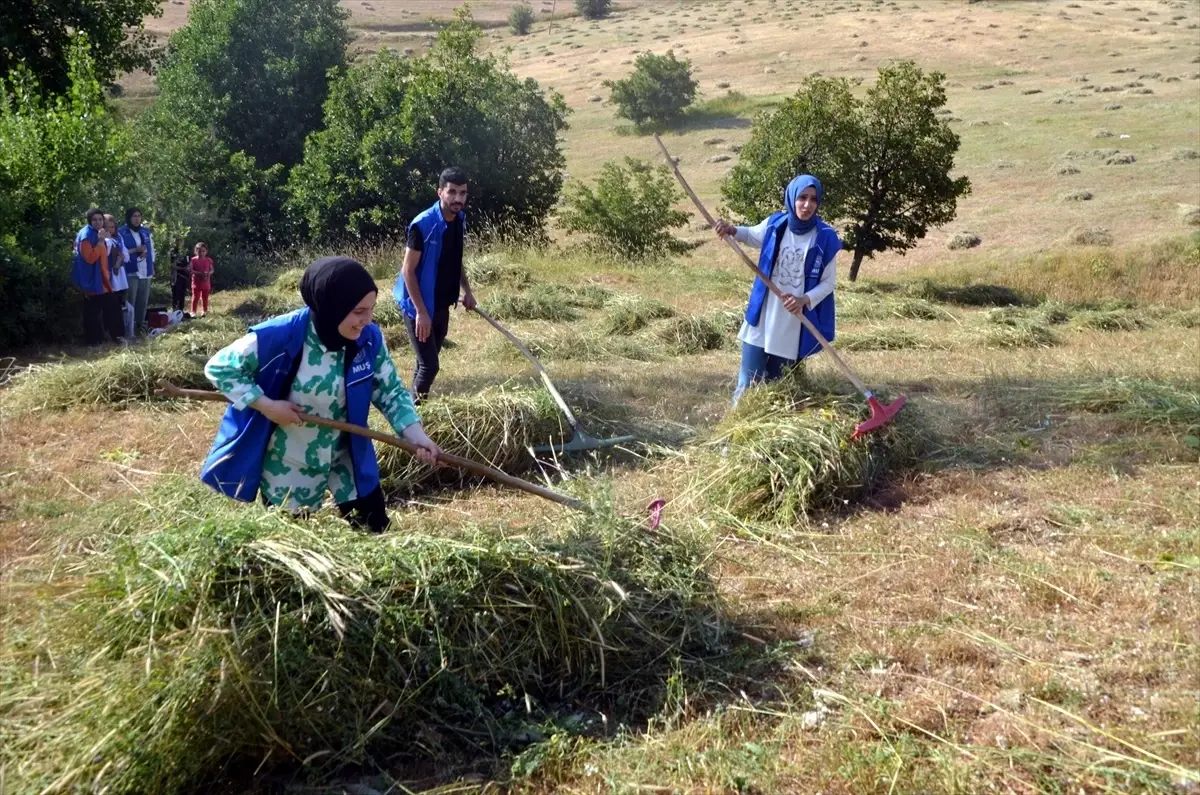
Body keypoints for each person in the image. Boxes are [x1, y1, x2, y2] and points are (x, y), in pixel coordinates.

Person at [202, 256, 443, 533]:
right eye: (358, 311)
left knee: (375, 530)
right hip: (290, 460)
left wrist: (416, 436)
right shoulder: (280, 335)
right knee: (295, 546)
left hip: (346, 454)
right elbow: (220, 367)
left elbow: (391, 392)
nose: (367, 320)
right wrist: (266, 405)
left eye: (371, 310)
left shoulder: (369, 340)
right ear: (332, 307)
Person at [713, 174, 842, 404]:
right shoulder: (776, 224)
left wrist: (803, 299)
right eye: (802, 197)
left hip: (791, 322)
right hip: (763, 314)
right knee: (747, 383)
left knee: (776, 387)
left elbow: (828, 283)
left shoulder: (825, 237)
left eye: (813, 199)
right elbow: (752, 235)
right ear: (792, 198)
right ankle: (734, 433)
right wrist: (732, 230)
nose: (807, 205)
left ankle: (766, 432)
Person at [394, 166, 477, 403]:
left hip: (441, 303)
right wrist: (420, 312)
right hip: (418, 305)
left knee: (425, 363)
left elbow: (455, 259)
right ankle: (414, 421)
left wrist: (467, 291)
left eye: (462, 193)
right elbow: (407, 270)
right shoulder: (422, 225)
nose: (458, 199)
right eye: (452, 192)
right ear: (439, 192)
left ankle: (411, 409)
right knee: (430, 366)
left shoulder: (459, 220)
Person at [118, 207, 155, 335]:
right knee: (130, 300)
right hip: (130, 271)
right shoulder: (122, 232)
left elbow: (152, 250)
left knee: (143, 300)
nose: (137, 218)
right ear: (129, 217)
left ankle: (140, 326)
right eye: (134, 216)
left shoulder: (145, 231)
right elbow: (120, 252)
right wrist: (136, 250)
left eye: (139, 216)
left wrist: (152, 265)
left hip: (145, 270)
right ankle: (129, 328)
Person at [102, 214, 130, 343]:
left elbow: (126, 256)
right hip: (108, 277)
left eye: (112, 227)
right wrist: (107, 240)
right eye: (107, 227)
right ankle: (111, 333)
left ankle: (119, 334)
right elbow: (105, 253)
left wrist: (121, 257)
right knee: (109, 306)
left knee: (118, 304)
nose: (110, 230)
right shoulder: (104, 240)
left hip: (119, 277)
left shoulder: (119, 238)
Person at [190, 242, 213, 316]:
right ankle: (193, 311)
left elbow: (212, 269)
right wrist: (200, 273)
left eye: (203, 251)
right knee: (195, 297)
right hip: (196, 282)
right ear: (196, 251)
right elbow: (191, 270)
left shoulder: (208, 260)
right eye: (199, 251)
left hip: (206, 282)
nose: (201, 253)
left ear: (206, 251)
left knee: (205, 297)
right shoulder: (193, 260)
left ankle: (204, 311)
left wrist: (209, 273)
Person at [169, 245, 191, 314]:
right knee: (176, 293)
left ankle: (181, 309)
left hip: (185, 276)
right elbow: (172, 265)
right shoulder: (173, 252)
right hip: (176, 276)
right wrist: (182, 268)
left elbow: (190, 262)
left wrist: (188, 267)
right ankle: (175, 309)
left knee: (182, 293)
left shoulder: (186, 252)